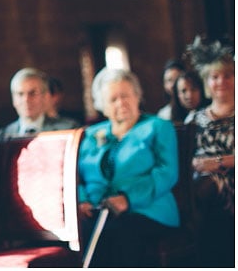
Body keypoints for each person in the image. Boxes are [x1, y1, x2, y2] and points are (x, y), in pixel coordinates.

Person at [77, 67, 179, 267]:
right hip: (97, 210)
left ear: (137, 96)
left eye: (126, 96)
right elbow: (76, 176)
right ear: (102, 106)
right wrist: (81, 201)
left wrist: (128, 199)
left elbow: (167, 172)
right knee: (80, 231)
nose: (121, 103)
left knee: (120, 231)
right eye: (113, 99)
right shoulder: (91, 135)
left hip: (148, 209)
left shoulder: (158, 127)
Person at [185, 37, 235, 267]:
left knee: (203, 189)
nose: (221, 81)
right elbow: (185, 157)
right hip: (199, 181)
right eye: (215, 77)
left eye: (228, 75)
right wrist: (196, 164)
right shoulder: (195, 118)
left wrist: (216, 162)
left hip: (230, 180)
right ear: (207, 82)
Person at [0, 68, 80, 138]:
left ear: (46, 96)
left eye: (33, 93)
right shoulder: (2, 137)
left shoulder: (68, 130)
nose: (26, 100)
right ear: (13, 99)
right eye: (20, 94)